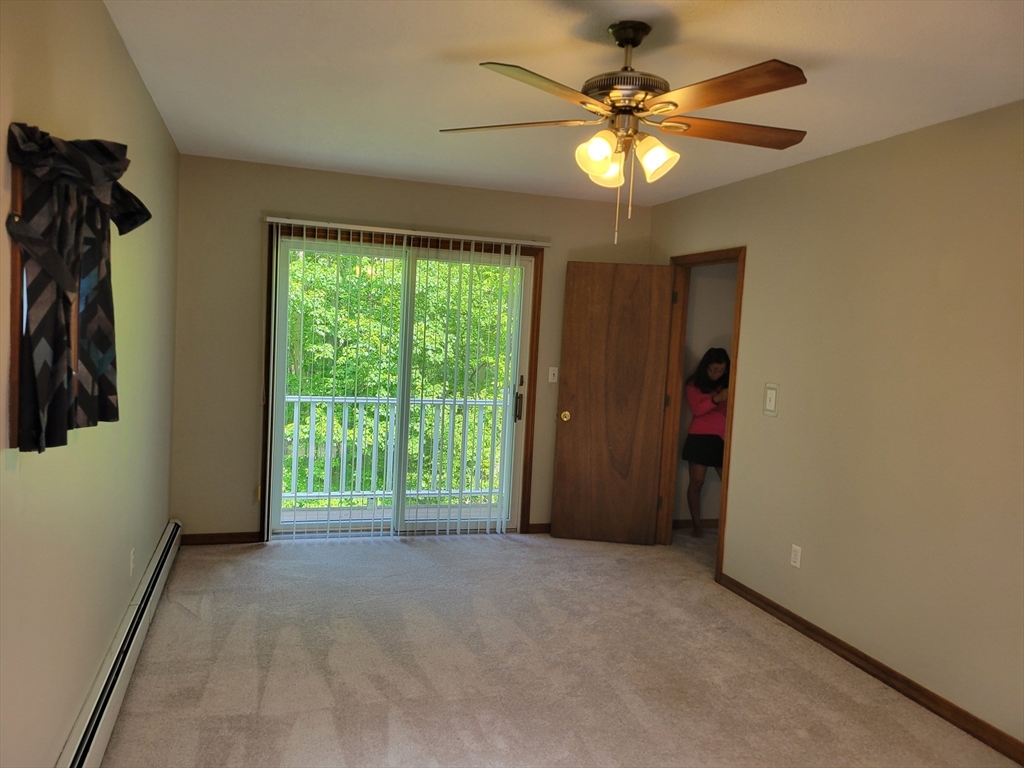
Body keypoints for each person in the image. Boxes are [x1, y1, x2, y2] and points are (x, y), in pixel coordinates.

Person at [681, 347, 730, 538]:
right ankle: (696, 525)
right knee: (697, 482)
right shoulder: (694, 384)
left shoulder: (730, 383)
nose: (716, 373)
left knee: (729, 484)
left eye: (720, 370)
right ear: (705, 367)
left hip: (722, 438)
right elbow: (697, 409)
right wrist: (717, 398)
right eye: (713, 370)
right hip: (699, 437)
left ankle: (729, 527)